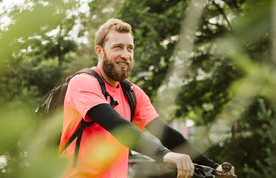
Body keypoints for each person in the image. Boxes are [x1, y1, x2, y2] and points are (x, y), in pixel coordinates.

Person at [59, 18, 235, 178]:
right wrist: (164, 155)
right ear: (99, 51)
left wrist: (214, 167)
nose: (125, 55)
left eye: (130, 48)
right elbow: (119, 127)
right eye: (117, 47)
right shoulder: (83, 83)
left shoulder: (132, 93)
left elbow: (166, 134)